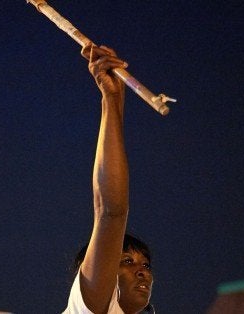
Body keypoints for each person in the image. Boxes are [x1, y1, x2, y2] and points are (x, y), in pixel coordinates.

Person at [63, 43, 154, 314]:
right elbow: (111, 212)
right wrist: (111, 100)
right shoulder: (89, 305)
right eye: (126, 261)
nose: (142, 272)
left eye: (146, 265)